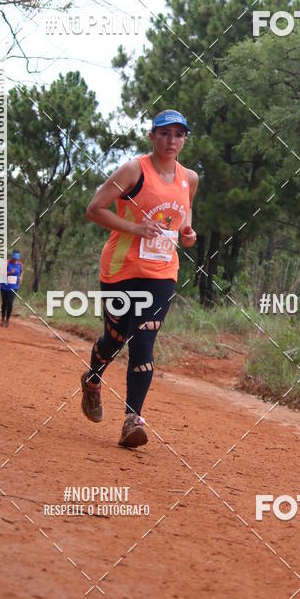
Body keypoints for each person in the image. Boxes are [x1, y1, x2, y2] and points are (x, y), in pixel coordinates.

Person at [81, 109, 198, 448]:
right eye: (165, 133)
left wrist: (188, 232)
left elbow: (184, 212)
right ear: (153, 137)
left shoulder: (189, 178)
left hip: (162, 271)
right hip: (121, 268)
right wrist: (136, 228)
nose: (171, 140)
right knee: (114, 339)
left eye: (178, 134)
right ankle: (92, 380)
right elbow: (94, 208)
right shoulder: (135, 170)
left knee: (144, 337)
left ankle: (133, 418)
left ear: (184, 139)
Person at [0, 251, 22, 326]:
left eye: (17, 259)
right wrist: (9, 272)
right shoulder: (7, 263)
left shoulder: (19, 264)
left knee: (10, 302)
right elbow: (1, 273)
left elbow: (21, 271)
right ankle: (2, 318)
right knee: (4, 303)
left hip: (14, 287)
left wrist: (21, 277)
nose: (16, 260)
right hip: (4, 286)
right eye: (14, 259)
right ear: (12, 257)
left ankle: (7, 320)